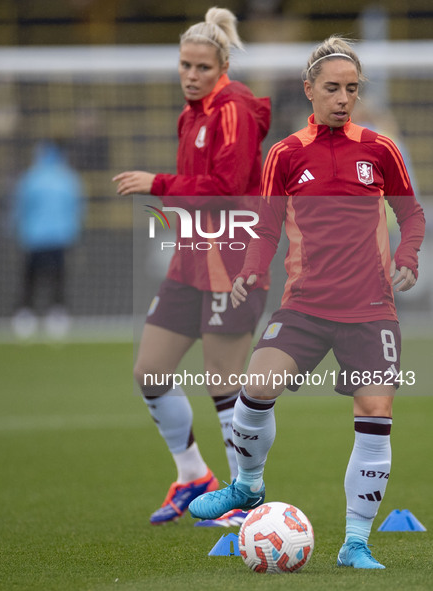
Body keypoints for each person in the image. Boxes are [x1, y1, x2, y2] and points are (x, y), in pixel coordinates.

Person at [188, 36, 425, 568]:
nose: (343, 98)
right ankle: (248, 486)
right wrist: (249, 270)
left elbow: (411, 215)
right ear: (310, 90)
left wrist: (407, 254)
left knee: (376, 411)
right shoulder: (286, 154)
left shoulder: (380, 150)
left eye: (352, 89)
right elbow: (266, 228)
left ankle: (356, 542)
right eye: (333, 88)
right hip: (305, 307)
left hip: (371, 311)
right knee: (256, 388)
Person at [113, 7, 271, 526]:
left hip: (232, 255)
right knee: (149, 371)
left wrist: (158, 184)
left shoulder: (235, 109)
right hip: (192, 257)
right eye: (184, 65)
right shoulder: (191, 114)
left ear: (222, 64)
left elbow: (226, 189)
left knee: (223, 382)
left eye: (202, 67)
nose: (191, 75)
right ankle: (193, 476)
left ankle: (242, 498)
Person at [11, 141, 84, 339]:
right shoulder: (68, 178)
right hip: (61, 236)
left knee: (31, 277)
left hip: (34, 236)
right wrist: (74, 232)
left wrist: (16, 230)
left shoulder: (30, 178)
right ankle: (58, 314)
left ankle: (25, 315)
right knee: (58, 277)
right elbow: (76, 208)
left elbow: (20, 207)